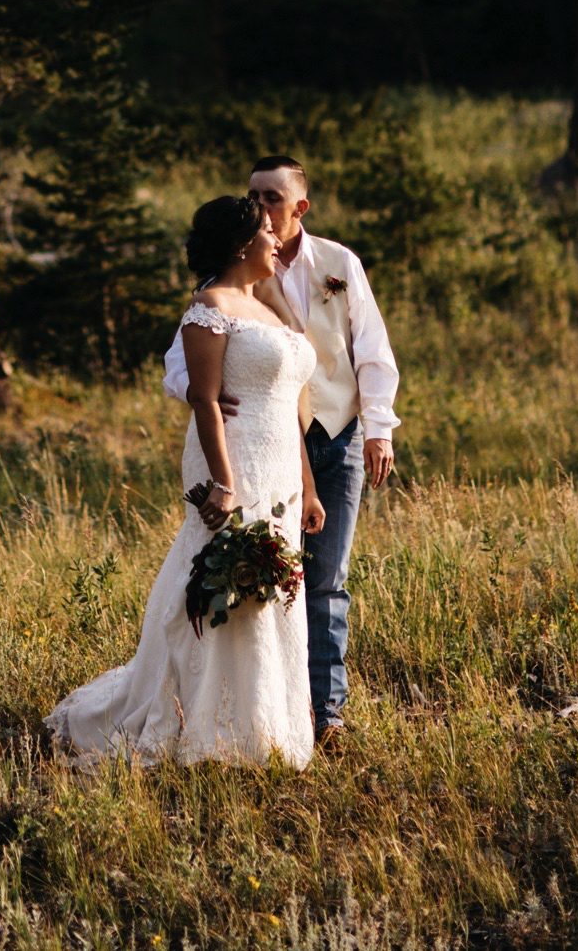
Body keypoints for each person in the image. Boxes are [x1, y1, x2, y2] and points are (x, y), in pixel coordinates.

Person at [47, 194, 325, 767]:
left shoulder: (268, 307)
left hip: (281, 468)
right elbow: (203, 399)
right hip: (233, 458)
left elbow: (288, 409)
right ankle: (197, 722)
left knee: (271, 589)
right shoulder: (209, 306)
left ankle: (265, 726)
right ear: (245, 243)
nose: (280, 242)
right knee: (221, 579)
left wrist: (310, 486)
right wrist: (223, 482)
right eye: (271, 235)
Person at [162, 155, 399, 744]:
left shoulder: (337, 264)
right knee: (254, 575)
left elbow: (370, 347)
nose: (262, 206)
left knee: (324, 578)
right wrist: (206, 396)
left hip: (334, 436)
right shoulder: (235, 281)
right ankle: (231, 708)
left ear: (300, 205)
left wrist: (378, 427)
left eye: (272, 196)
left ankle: (324, 713)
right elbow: (183, 365)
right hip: (257, 447)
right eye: (254, 197)